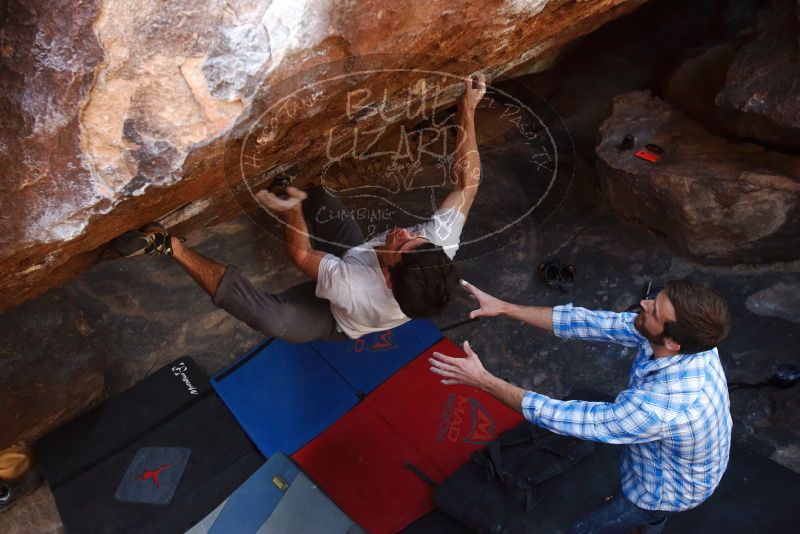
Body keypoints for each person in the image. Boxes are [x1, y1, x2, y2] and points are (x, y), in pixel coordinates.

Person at [113, 74, 487, 343]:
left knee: (275, 319)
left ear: (389, 277)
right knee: (316, 199)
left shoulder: (354, 288)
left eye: (402, 246)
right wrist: (467, 110)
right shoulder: (436, 245)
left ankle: (169, 246)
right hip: (353, 255)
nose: (406, 234)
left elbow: (301, 253)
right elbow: (467, 183)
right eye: (415, 240)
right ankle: (292, 190)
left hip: (336, 319)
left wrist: (291, 211)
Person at [429, 278, 732, 533]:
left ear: (672, 344)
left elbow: (558, 417)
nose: (645, 304)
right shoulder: (688, 341)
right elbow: (592, 323)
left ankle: (649, 520)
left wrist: (483, 380)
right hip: (676, 456)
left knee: (587, 529)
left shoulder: (660, 409)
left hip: (663, 490)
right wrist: (506, 308)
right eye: (655, 298)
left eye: (655, 310)